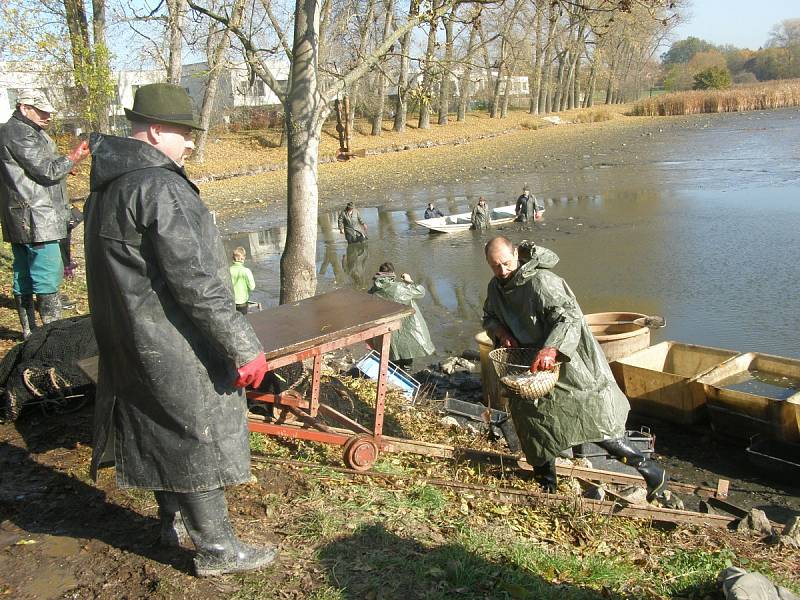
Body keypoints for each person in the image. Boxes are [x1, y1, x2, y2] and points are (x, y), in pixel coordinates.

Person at [83, 83, 276, 577]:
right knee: (195, 432)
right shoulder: (159, 187)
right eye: (184, 133)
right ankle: (216, 548)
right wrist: (243, 345)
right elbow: (198, 282)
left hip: (127, 336)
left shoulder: (107, 186)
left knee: (158, 425)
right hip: (170, 338)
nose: (190, 143)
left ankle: (168, 521)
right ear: (154, 131)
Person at [482, 236, 670, 503]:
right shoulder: (495, 288)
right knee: (532, 424)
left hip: (567, 362)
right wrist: (501, 332)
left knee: (594, 421)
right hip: (529, 368)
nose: (502, 271)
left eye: (506, 263)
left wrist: (551, 349)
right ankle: (547, 486)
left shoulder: (542, 282)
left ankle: (651, 470)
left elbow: (568, 317)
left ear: (516, 254)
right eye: (495, 266)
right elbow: (488, 316)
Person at [0, 89, 90, 338]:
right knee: (45, 276)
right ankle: (51, 337)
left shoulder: (27, 131)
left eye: (49, 111)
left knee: (24, 275)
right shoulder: (19, 132)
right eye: (41, 110)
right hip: (36, 217)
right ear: (23, 107)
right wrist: (72, 158)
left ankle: (31, 334)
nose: (48, 115)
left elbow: (33, 169)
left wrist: (66, 166)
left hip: (27, 215)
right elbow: (46, 171)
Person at [367, 262, 435, 371]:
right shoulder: (401, 288)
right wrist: (409, 281)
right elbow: (421, 292)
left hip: (386, 334)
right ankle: (405, 378)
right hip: (406, 332)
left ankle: (391, 380)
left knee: (390, 363)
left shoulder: (373, 291)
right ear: (393, 274)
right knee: (407, 362)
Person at [230, 246, 256, 315]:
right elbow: (252, 287)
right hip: (242, 302)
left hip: (231, 302)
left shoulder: (228, 270)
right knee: (244, 320)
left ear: (233, 258)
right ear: (243, 258)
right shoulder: (246, 271)